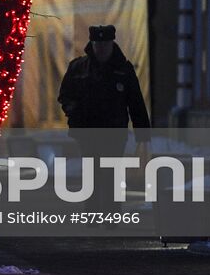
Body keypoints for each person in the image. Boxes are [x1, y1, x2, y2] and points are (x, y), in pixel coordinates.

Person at [57, 24, 150, 205]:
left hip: (113, 133)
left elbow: (135, 102)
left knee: (111, 177)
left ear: (111, 44)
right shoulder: (79, 68)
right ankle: (93, 214)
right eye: (97, 44)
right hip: (87, 132)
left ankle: (111, 214)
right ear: (91, 44)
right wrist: (74, 111)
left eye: (105, 44)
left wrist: (143, 134)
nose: (101, 48)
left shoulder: (123, 70)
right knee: (91, 177)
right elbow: (65, 95)